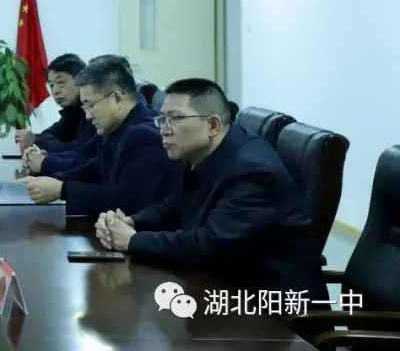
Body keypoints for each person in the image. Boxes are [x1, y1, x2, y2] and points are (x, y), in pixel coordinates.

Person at [95, 79, 327, 298]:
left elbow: (211, 245)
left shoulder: (253, 172)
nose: (164, 130)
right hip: (225, 284)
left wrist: (133, 240)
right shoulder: (203, 152)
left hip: (270, 306)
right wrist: (131, 222)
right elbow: (172, 206)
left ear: (213, 125)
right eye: (162, 119)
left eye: (175, 119)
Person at [18, 57, 174, 216]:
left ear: (116, 98)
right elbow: (94, 168)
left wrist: (62, 190)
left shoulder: (146, 135)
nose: (88, 116)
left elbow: (127, 200)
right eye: (84, 107)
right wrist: (49, 181)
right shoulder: (114, 126)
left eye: (90, 105)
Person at [14, 53, 86, 153]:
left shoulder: (91, 112)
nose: (55, 91)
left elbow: (79, 152)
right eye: (51, 85)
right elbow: (49, 134)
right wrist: (34, 138)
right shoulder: (71, 113)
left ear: (81, 81)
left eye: (61, 82)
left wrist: (35, 141)